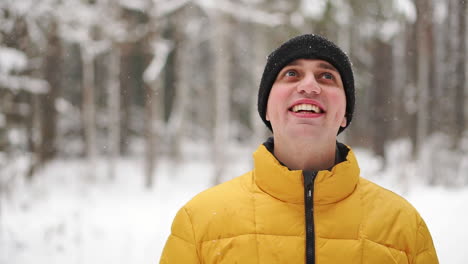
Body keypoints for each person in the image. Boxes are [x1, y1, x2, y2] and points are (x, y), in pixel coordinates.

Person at [159, 34, 439, 264]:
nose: (309, 86)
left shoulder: (402, 226)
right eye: (291, 74)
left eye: (326, 76)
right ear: (266, 108)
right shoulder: (200, 222)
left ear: (344, 114)